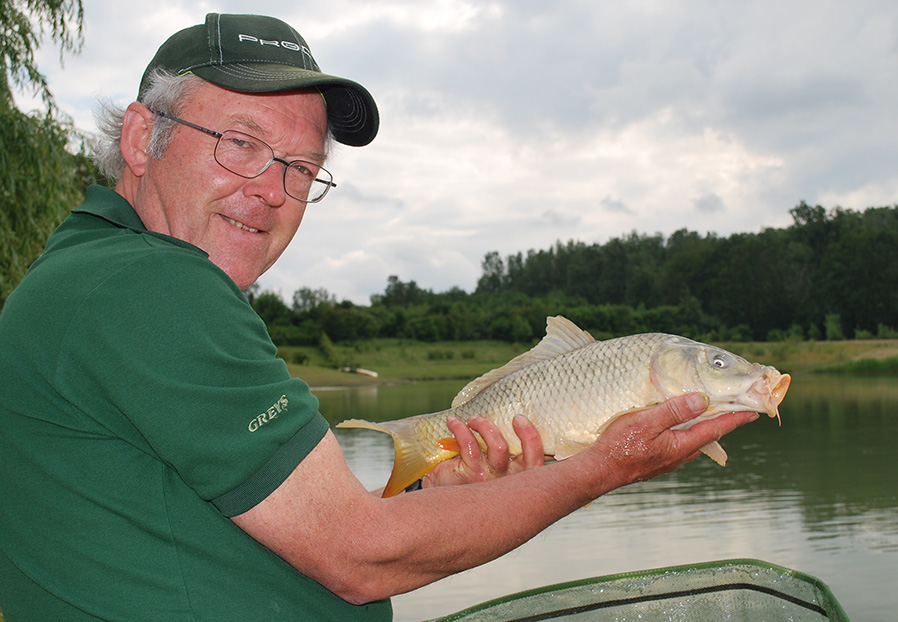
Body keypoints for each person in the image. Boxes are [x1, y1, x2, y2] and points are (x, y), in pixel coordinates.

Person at [0, 13, 758, 621]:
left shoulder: (91, 275)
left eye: (300, 169)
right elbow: (358, 555)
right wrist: (608, 465)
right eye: (240, 144)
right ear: (141, 139)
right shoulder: (152, 285)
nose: (271, 191)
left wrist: (438, 500)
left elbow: (292, 535)